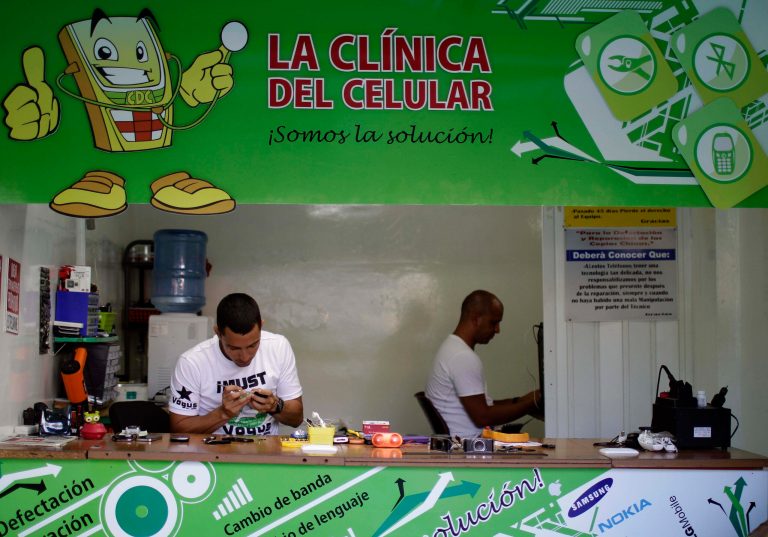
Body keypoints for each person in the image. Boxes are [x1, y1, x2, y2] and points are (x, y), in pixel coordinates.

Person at [169, 293, 304, 435]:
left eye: (253, 345)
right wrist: (223, 413)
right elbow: (178, 429)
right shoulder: (192, 362)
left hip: (265, 447)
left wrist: (275, 406)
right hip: (212, 449)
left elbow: (297, 419)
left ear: (261, 326)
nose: (245, 357)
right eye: (234, 348)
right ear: (218, 333)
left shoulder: (278, 347)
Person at [425, 290, 541, 437]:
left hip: (463, 443)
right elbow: (483, 417)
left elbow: (483, 405)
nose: (497, 330)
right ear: (476, 319)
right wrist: (533, 403)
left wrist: (522, 401)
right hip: (467, 446)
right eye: (494, 322)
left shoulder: (452, 348)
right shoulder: (462, 357)